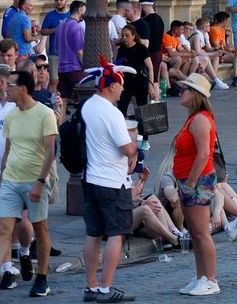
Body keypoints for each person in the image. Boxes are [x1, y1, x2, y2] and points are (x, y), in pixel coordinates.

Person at [0, 70, 57, 299]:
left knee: (40, 230)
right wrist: (1, 184)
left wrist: (40, 183)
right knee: (3, 228)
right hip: (11, 179)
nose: (7, 88)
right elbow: (8, 151)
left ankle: (42, 278)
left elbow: (50, 152)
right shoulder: (11, 116)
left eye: (11, 85)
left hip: (35, 180)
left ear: (22, 89)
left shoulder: (45, 114)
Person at [80, 58, 139, 302]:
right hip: (113, 181)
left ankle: (91, 286)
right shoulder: (112, 113)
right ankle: (106, 288)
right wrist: (135, 142)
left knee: (93, 233)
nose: (123, 88)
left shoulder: (88, 106)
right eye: (121, 84)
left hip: (91, 178)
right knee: (117, 234)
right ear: (111, 85)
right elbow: (127, 149)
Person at [170, 73, 220, 295]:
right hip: (190, 180)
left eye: (186, 89)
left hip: (197, 181)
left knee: (201, 233)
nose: (182, 92)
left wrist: (189, 183)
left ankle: (210, 279)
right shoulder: (194, 118)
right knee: (196, 233)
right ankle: (202, 276)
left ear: (196, 95)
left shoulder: (200, 119)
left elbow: (203, 155)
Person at [115, 25, 159, 118]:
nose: (124, 38)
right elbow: (118, 67)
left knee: (142, 111)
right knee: (121, 109)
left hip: (140, 81)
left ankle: (143, 132)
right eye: (123, 36)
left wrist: (150, 86)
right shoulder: (122, 49)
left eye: (127, 35)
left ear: (133, 35)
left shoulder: (141, 48)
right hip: (126, 83)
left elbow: (150, 68)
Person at [54, 0, 86, 102]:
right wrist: (85, 66)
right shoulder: (77, 27)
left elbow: (56, 49)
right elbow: (80, 51)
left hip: (62, 69)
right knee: (82, 99)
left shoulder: (60, 26)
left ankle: (61, 118)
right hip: (75, 69)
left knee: (63, 100)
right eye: (84, 11)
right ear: (79, 10)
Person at [39, 0, 70, 91]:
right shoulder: (50, 16)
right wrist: (54, 30)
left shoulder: (71, 15)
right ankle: (52, 102)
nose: (59, 2)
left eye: (61, 0)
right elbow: (43, 31)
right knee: (53, 80)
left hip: (69, 53)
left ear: (66, 1)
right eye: (56, 0)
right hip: (54, 53)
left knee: (67, 80)